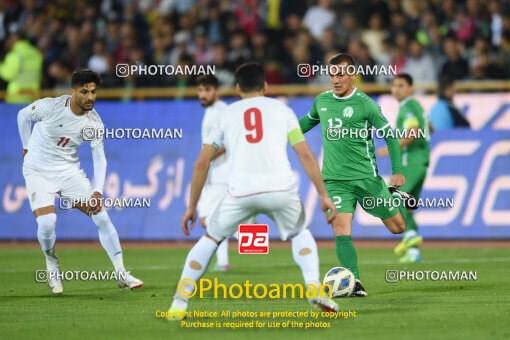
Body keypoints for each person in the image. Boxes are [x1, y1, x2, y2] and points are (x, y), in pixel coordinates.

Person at [168, 62, 339, 320]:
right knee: (300, 234)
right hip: (281, 189)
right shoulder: (282, 110)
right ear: (266, 86)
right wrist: (324, 194)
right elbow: (304, 153)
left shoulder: (226, 114)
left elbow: (202, 163)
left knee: (210, 239)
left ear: (237, 88)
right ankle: (314, 287)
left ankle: (178, 305)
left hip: (239, 192)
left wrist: (192, 206)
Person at [299, 53, 416, 296]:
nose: (335, 79)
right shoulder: (321, 101)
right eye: (332, 74)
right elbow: (303, 125)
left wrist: (396, 172)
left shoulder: (366, 105)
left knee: (398, 228)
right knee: (341, 228)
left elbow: (390, 136)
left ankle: (397, 198)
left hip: (367, 179)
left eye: (341, 74)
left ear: (353, 75)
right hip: (334, 180)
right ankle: (355, 283)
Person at [17, 68, 143, 294]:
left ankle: (122, 274)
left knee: (101, 216)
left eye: (93, 92)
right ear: (72, 91)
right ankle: (51, 261)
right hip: (38, 171)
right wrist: (26, 147)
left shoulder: (94, 123)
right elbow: (22, 116)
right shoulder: (51, 107)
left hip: (69, 172)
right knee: (47, 224)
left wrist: (97, 191)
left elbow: (99, 158)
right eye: (84, 92)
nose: (90, 97)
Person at [377, 74, 433, 263]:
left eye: (401, 85)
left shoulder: (408, 107)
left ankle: (409, 234)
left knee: (393, 195)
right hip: (422, 161)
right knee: (407, 206)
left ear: (410, 88)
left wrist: (390, 147)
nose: (397, 89)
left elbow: (413, 131)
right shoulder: (417, 106)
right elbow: (429, 127)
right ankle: (413, 251)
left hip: (412, 162)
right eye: (394, 85)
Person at [196, 75, 231, 272]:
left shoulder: (221, 111)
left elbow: (227, 142)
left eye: (207, 90)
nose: (203, 94)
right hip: (212, 173)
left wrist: (207, 158)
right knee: (207, 220)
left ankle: (223, 261)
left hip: (220, 173)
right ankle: (223, 260)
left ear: (217, 91)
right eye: (200, 90)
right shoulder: (211, 111)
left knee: (211, 219)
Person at [0, 32, 42, 103]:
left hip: (16, 97)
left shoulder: (14, 55)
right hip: (33, 96)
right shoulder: (36, 53)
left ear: (15, 39)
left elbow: (8, 75)